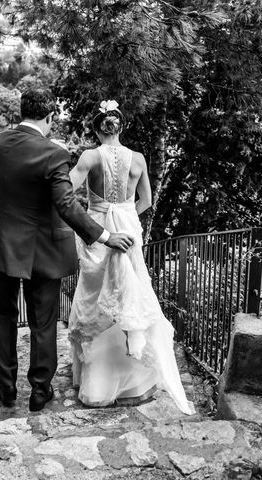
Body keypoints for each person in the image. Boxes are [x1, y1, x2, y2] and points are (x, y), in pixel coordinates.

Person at [0, 89, 134, 412]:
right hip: (40, 249)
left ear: (22, 111)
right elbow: (65, 203)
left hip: (0, 244)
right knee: (42, 322)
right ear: (49, 117)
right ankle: (39, 391)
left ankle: (5, 387)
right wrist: (103, 236)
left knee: (3, 317)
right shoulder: (53, 154)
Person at [67, 100, 194, 414]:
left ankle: (97, 382)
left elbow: (65, 193)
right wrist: (124, 216)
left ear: (97, 128)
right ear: (119, 126)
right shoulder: (137, 159)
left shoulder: (89, 157)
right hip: (128, 233)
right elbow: (146, 200)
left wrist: (101, 219)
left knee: (96, 297)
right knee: (130, 295)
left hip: (99, 234)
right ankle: (133, 379)